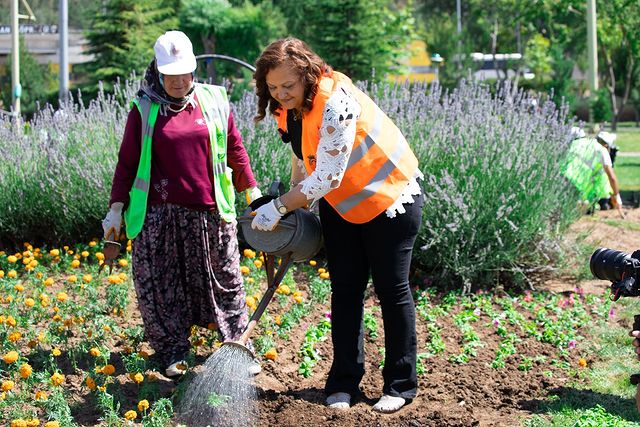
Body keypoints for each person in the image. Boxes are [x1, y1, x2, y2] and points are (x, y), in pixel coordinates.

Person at [250, 37, 424, 413]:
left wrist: (278, 208)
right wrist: (295, 200)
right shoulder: (289, 109)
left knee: (392, 292)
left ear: (308, 75)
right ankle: (344, 382)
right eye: (273, 88)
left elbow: (327, 176)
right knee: (345, 292)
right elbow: (302, 158)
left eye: (288, 86)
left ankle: (399, 385)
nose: (280, 94)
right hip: (344, 206)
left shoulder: (335, 101)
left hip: (390, 197)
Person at [102, 30, 262, 378]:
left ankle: (239, 347)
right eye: (170, 74)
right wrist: (116, 207)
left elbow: (235, 149)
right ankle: (172, 352)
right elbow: (126, 164)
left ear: (194, 70)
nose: (178, 81)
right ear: (158, 72)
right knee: (163, 286)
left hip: (210, 212)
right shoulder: (144, 109)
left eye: (184, 73)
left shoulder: (215, 100)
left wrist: (253, 193)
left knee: (227, 281)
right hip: (158, 216)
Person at [562, 127, 623, 218]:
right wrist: (617, 196)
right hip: (575, 184)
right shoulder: (602, 150)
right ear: (606, 146)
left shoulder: (577, 142)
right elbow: (612, 177)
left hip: (560, 176)